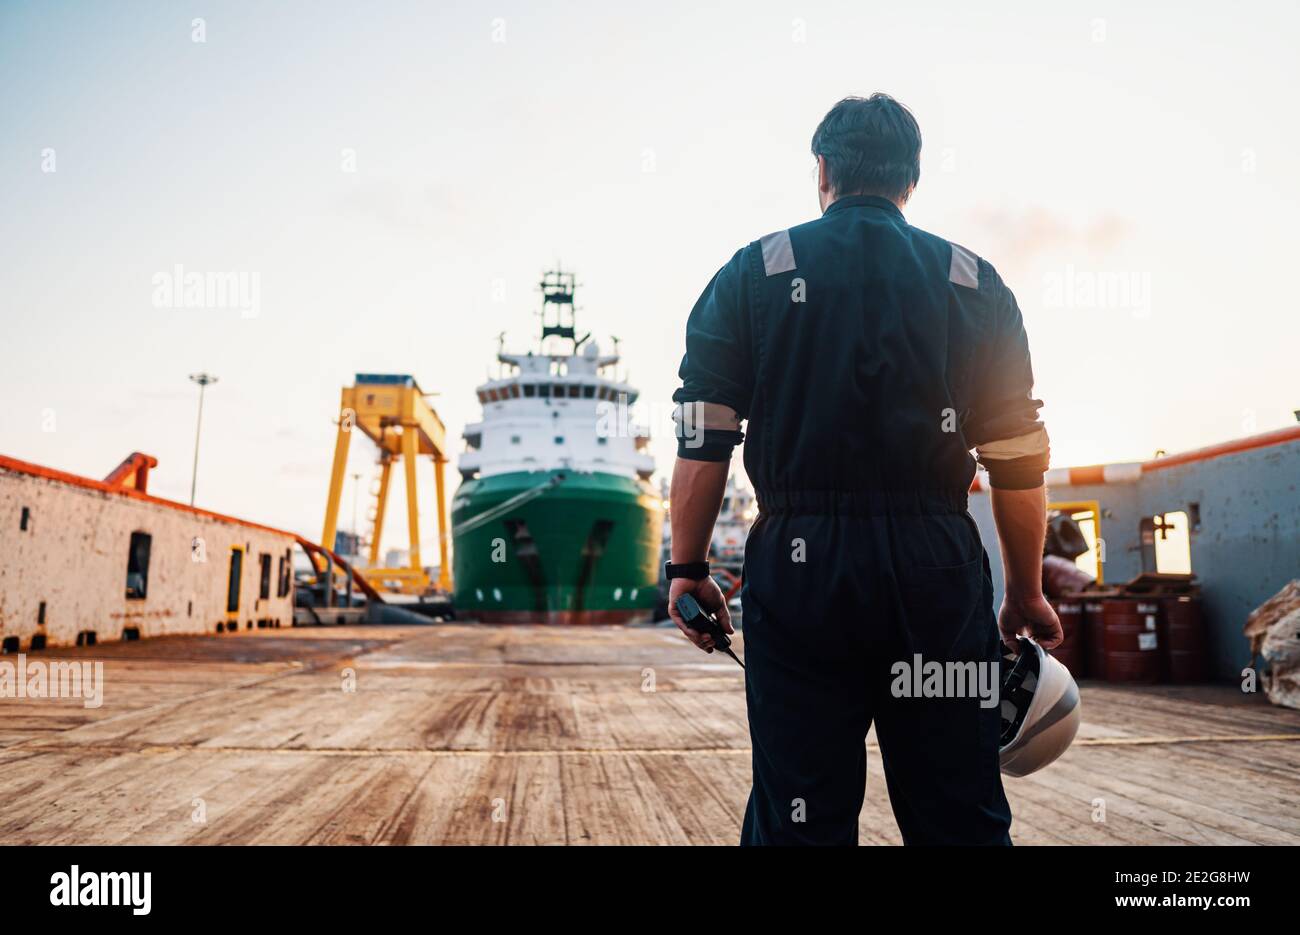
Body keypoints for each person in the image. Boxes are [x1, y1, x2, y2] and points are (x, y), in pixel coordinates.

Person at [665, 93, 1062, 846]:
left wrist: (687, 566)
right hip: (936, 577)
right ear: (911, 180)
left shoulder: (755, 271)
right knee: (958, 811)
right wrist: (1026, 593)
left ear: (823, 171)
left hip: (803, 569)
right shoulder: (972, 281)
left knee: (800, 814)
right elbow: (1016, 456)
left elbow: (703, 435)